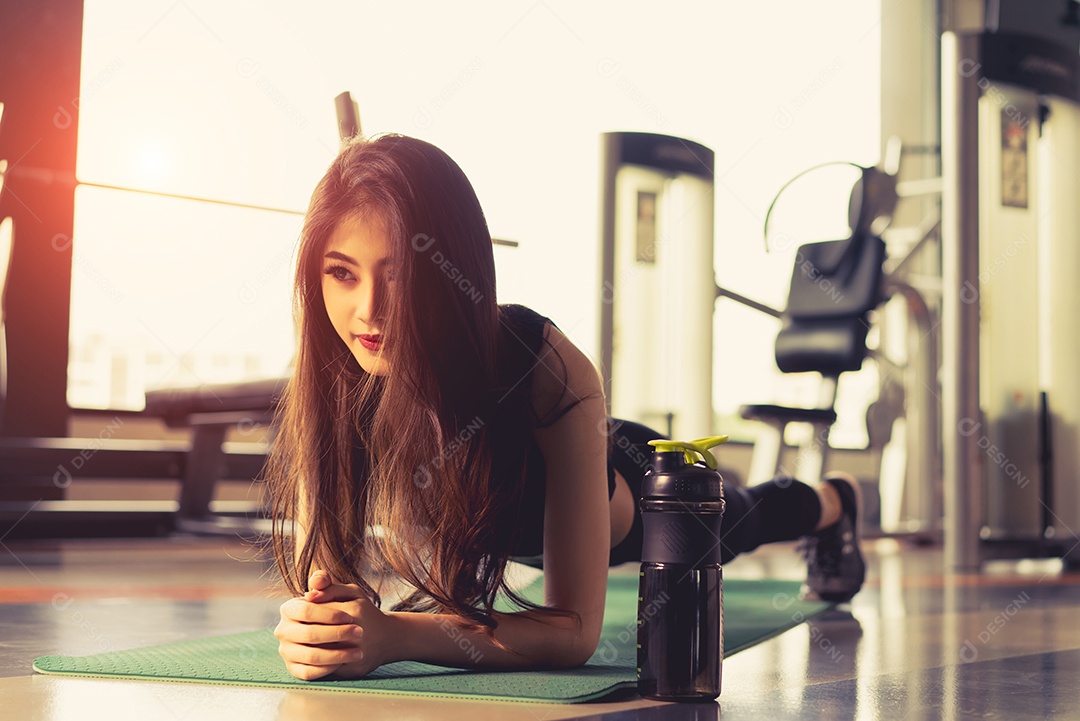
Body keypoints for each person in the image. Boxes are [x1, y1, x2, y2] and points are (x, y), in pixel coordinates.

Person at [265, 134, 865, 682]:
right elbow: (327, 594)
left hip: (632, 497)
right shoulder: (334, 377)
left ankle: (837, 501)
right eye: (342, 274)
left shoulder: (540, 362)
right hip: (514, 525)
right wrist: (323, 631)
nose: (368, 310)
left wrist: (394, 637)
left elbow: (572, 632)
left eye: (398, 277)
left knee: (735, 521)